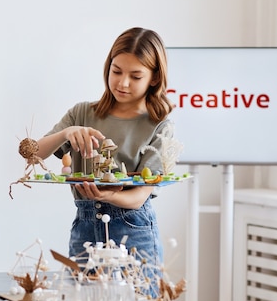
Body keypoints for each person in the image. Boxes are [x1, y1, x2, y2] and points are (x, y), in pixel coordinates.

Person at [36, 27, 174, 276]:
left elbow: (140, 196)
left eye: (135, 76)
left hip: (134, 230)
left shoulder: (158, 125)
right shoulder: (82, 113)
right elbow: (33, 155)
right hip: (86, 228)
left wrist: (107, 196)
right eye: (116, 71)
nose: (122, 83)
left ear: (154, 78)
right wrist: (67, 133)